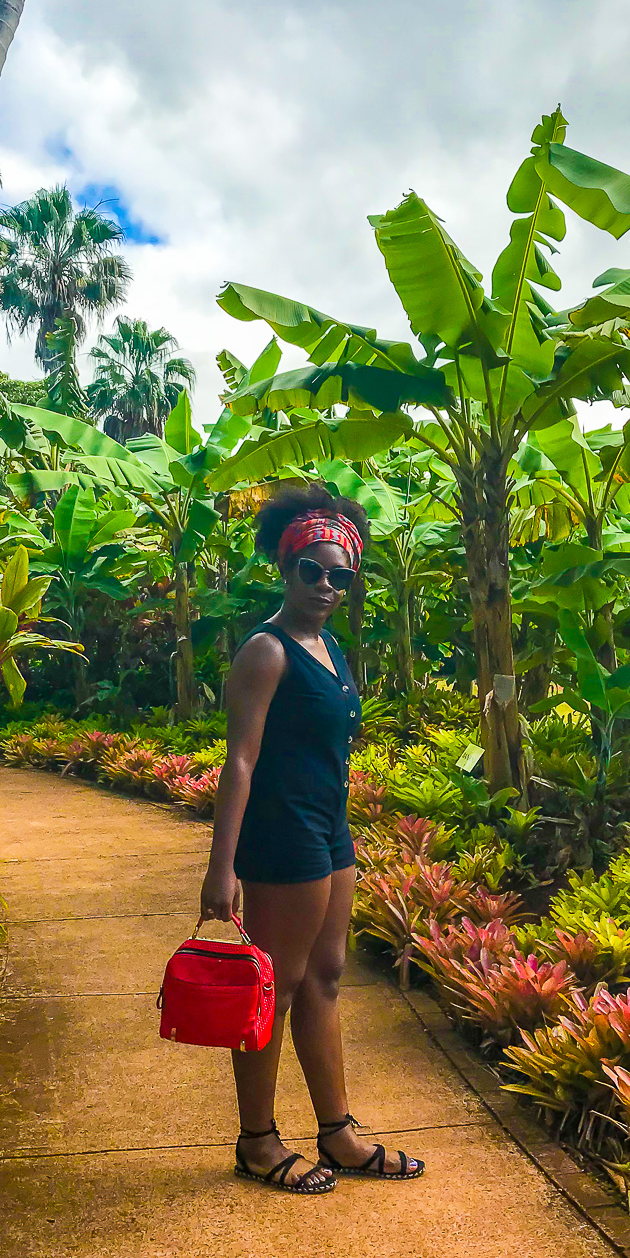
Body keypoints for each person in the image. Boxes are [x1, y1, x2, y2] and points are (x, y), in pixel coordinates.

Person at [199, 483, 426, 1194]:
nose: (326, 586)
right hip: (283, 834)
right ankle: (258, 1142)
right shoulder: (266, 651)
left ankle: (338, 1133)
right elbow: (239, 762)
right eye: (312, 571)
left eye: (341, 576)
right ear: (287, 567)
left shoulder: (326, 643)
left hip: (330, 830)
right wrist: (222, 868)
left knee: (325, 977)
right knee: (277, 987)